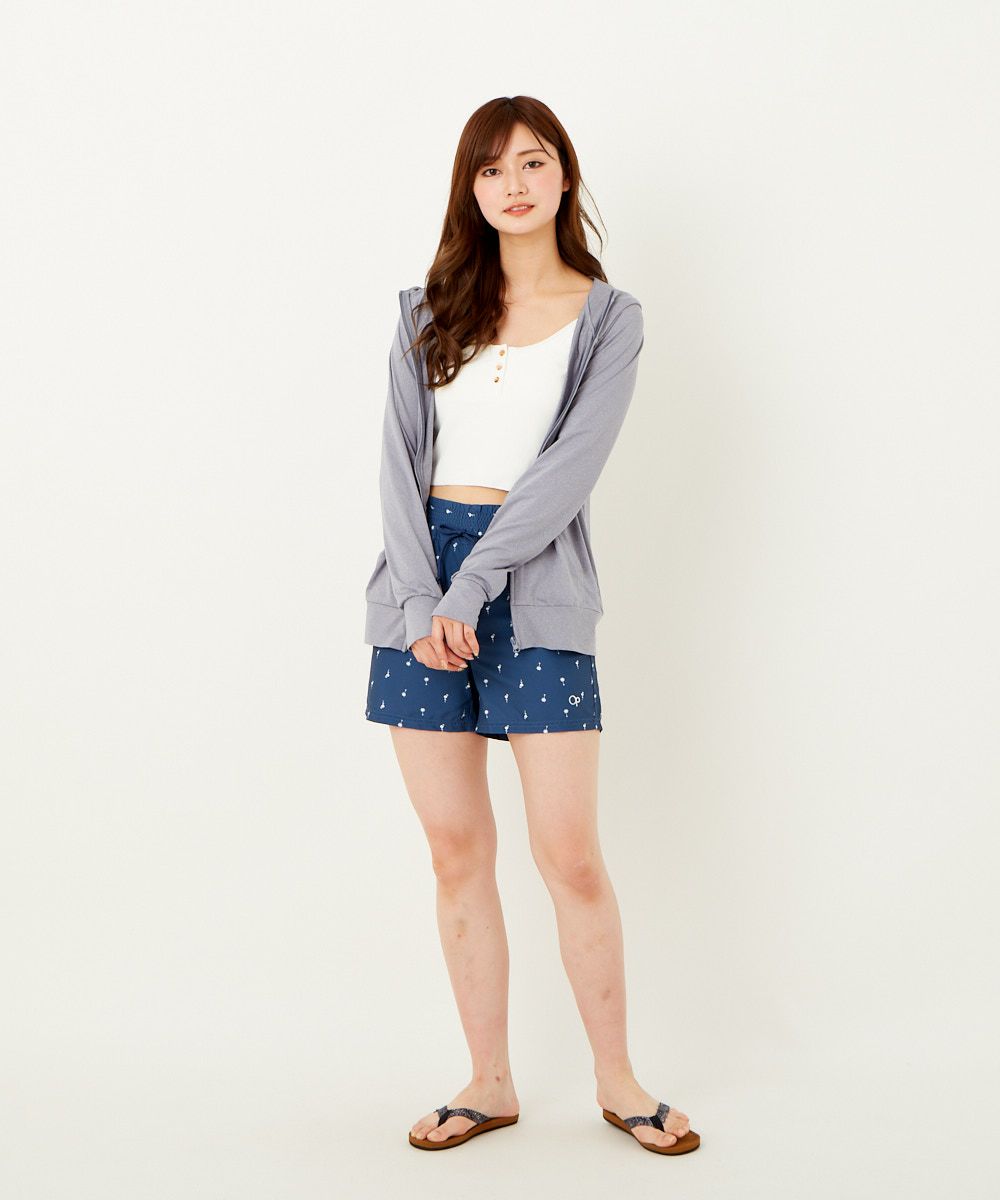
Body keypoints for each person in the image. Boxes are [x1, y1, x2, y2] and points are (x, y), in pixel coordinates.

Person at [362, 96, 700, 1156]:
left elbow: (567, 472)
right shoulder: (425, 311)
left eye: (534, 162)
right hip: (416, 591)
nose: (514, 184)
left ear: (564, 177)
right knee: (455, 851)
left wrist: (471, 589)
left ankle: (619, 1081)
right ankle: (489, 1082)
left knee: (570, 854)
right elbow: (397, 465)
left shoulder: (609, 317)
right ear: (469, 189)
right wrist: (418, 601)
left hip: (533, 585)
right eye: (491, 168)